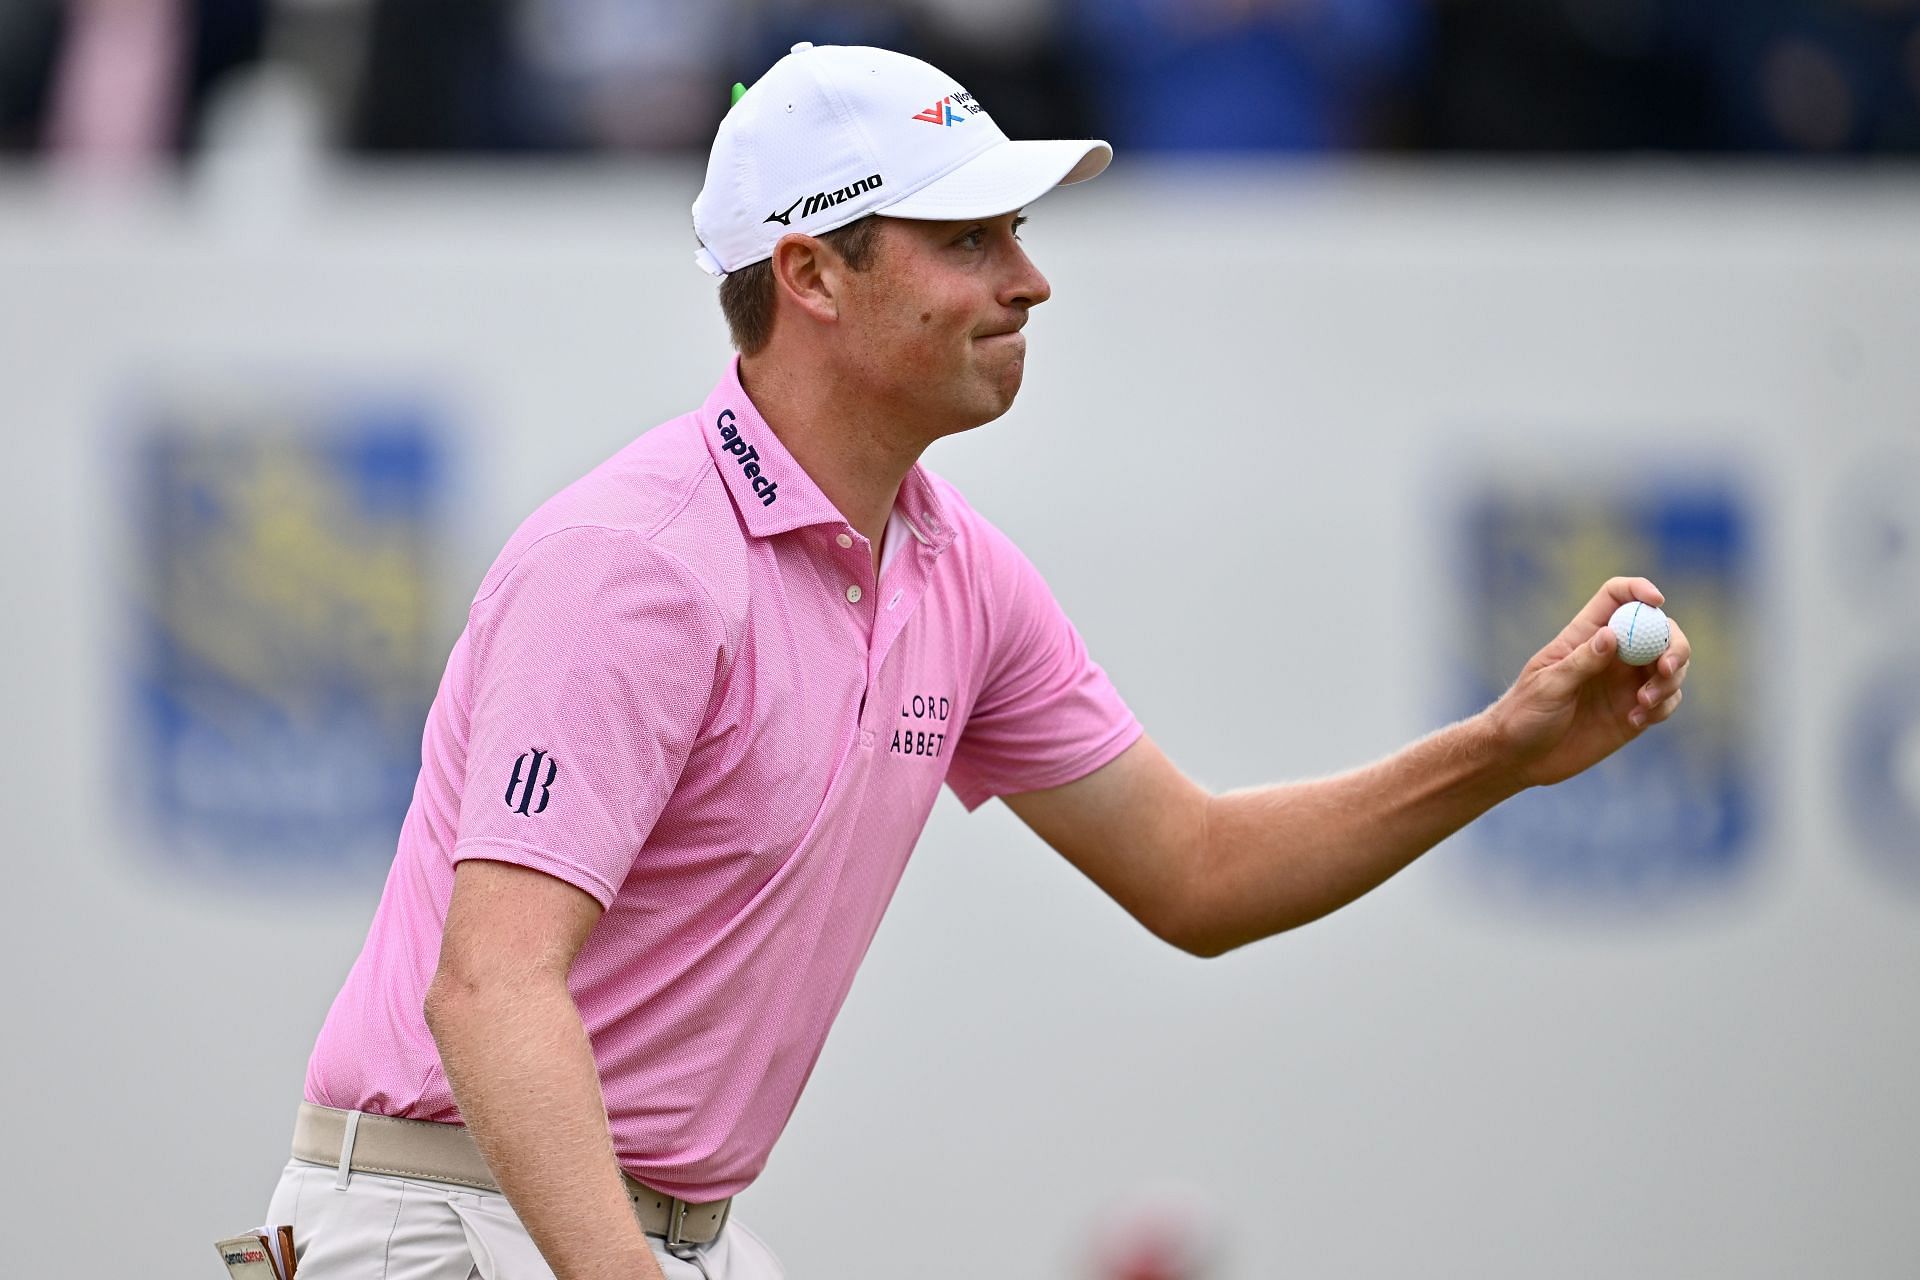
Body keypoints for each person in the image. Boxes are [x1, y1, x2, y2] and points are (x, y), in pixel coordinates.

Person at [250, 41, 1692, 1280]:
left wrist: (1501, 750)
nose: (1032, 281)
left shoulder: (961, 576)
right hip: (444, 1224)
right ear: (812, 275)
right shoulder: (638, 561)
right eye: (971, 241)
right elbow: (493, 987)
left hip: (642, 1237)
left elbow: (1196, 875)